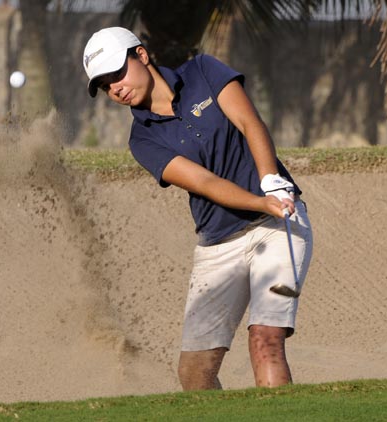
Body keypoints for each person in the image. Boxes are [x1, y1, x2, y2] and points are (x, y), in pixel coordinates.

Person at [82, 27, 313, 390]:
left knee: (265, 340)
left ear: (141, 55)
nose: (116, 88)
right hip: (218, 244)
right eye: (105, 85)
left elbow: (249, 122)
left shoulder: (203, 71)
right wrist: (258, 199)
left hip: (278, 223)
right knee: (194, 374)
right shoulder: (142, 139)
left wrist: (271, 181)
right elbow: (205, 182)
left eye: (117, 73)